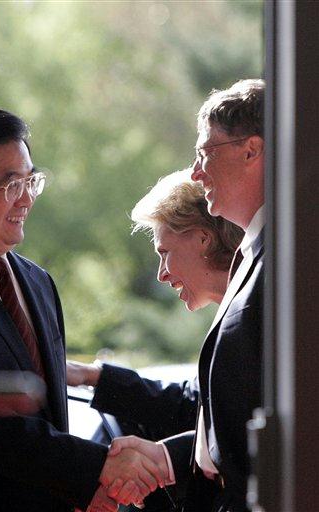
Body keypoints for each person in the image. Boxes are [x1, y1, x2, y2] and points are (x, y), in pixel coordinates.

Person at [0, 107, 165, 512]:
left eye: (31, 181)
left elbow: (51, 414)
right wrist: (92, 471)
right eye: (11, 184)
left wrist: (79, 489)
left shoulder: (39, 283)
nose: (26, 199)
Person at [105, 79, 265, 512]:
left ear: (251, 150)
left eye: (205, 153)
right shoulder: (257, 251)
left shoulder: (286, 259)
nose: (195, 172)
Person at [68, 169, 243, 508]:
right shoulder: (233, 310)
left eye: (164, 252)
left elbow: (232, 430)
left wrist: (161, 458)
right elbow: (194, 403)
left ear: (203, 239)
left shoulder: (249, 311)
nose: (162, 273)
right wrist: (93, 376)